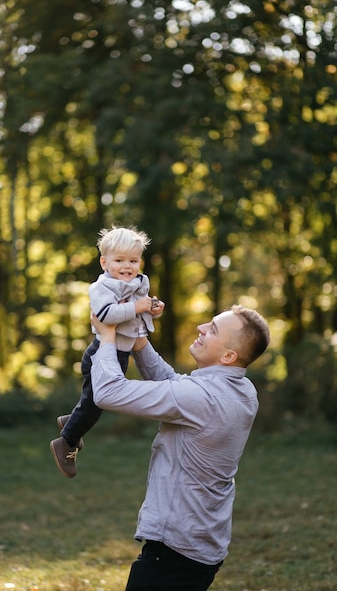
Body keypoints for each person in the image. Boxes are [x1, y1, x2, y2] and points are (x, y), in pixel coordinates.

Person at [90, 304, 270, 591]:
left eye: (212, 330)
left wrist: (107, 336)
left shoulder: (201, 398)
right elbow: (175, 387)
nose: (200, 328)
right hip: (203, 544)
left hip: (175, 549)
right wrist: (139, 342)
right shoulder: (244, 391)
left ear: (228, 355)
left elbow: (108, 393)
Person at [50, 225, 165, 478]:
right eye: (119, 260)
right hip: (100, 354)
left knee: (95, 404)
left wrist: (151, 309)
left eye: (133, 260)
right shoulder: (101, 288)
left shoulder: (137, 282)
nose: (127, 266)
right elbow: (105, 315)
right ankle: (66, 442)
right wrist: (137, 309)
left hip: (120, 353)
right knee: (97, 403)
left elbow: (138, 310)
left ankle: (74, 420)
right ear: (104, 262)